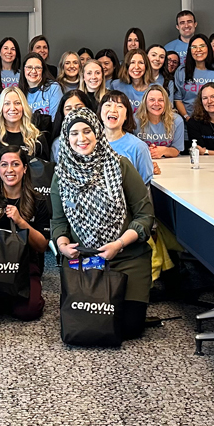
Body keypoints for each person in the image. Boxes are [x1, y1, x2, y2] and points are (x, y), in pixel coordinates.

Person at [52, 107, 155, 339]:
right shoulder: (61, 175)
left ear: (97, 132)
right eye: (74, 133)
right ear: (66, 140)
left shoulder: (120, 166)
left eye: (87, 131)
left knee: (129, 328)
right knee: (88, 323)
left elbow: (145, 216)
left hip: (128, 256)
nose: (81, 138)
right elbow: (58, 223)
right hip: (86, 260)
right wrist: (62, 245)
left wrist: (118, 244)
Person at [0, 145, 50, 320]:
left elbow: (43, 245)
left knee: (29, 311)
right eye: (4, 165)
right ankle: (4, 296)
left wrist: (21, 222)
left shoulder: (38, 200)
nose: (10, 170)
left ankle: (18, 293)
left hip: (24, 263)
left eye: (15, 164)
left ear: (25, 168)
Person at [0, 87, 50, 185]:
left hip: (30, 194)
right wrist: (6, 170)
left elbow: (45, 175)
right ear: (1, 108)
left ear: (24, 107)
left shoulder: (37, 138)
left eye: (17, 103)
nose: (12, 108)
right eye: (7, 103)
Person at [99, 91, 155, 184]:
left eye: (119, 106)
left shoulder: (139, 147)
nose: (113, 110)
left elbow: (144, 186)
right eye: (108, 105)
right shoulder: (90, 143)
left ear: (126, 115)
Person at [174, 34, 214, 118]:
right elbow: (178, 99)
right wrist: (187, 118)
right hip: (188, 121)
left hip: (213, 122)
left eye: (202, 46)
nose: (198, 50)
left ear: (208, 48)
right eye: (194, 47)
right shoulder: (181, 71)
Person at [134, 85, 185, 159]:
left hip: (169, 163)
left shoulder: (177, 120)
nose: (156, 103)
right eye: (152, 100)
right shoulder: (134, 120)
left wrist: (164, 151)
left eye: (161, 100)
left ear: (166, 103)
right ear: (145, 102)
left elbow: (177, 150)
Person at [50, 89, 98, 161]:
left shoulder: (101, 137)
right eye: (68, 109)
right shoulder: (57, 144)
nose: (73, 111)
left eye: (79, 107)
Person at [111, 49, 155, 114]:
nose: (136, 67)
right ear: (126, 66)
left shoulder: (155, 88)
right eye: (132, 62)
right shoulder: (116, 85)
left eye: (141, 62)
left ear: (146, 67)